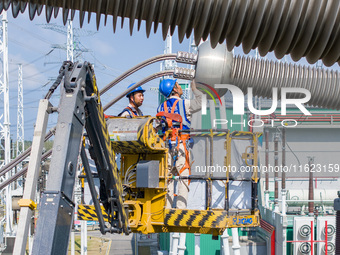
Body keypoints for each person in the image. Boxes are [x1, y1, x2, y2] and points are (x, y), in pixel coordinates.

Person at [157, 79, 202, 209]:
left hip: (166, 145)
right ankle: (181, 207)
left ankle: (168, 206)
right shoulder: (185, 104)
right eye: (178, 85)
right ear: (175, 89)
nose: (180, 87)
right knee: (183, 173)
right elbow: (201, 103)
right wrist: (194, 89)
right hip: (181, 144)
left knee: (168, 175)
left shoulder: (161, 107)